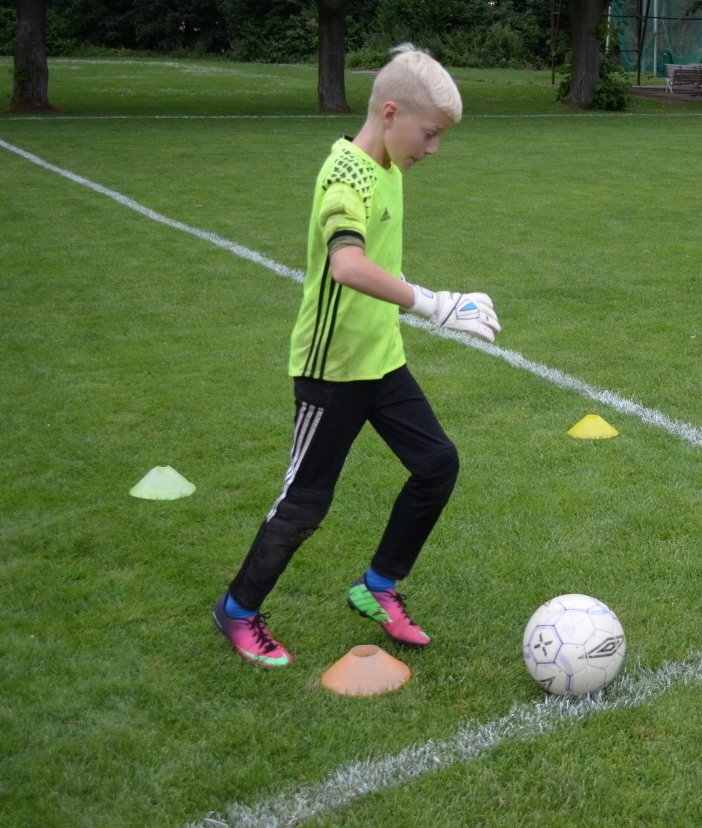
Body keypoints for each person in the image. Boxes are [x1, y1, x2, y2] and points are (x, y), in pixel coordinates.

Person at [213, 44, 500, 667]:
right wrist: (434, 303)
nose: (432, 149)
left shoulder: (389, 165)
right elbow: (347, 264)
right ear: (391, 113)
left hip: (381, 360)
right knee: (305, 504)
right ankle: (237, 610)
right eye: (429, 134)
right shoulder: (346, 176)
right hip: (332, 370)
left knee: (436, 465)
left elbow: (377, 262)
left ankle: (378, 586)